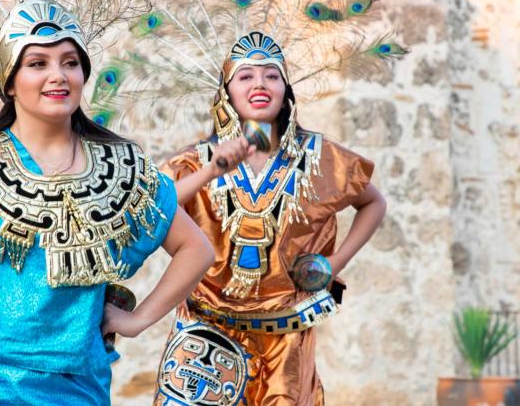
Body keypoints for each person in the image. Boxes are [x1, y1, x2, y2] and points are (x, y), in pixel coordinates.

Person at [0, 0, 214, 404]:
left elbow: (196, 249)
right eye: (37, 63)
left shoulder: (123, 167)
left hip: (66, 383)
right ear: (9, 82)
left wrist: (138, 320)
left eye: (70, 62)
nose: (57, 75)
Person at [155, 32, 386, 405]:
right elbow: (154, 210)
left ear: (285, 90)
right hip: (206, 331)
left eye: (271, 75)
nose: (260, 84)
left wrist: (334, 264)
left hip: (286, 337)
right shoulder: (194, 163)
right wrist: (211, 171)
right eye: (246, 76)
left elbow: (373, 203)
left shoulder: (321, 158)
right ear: (226, 92)